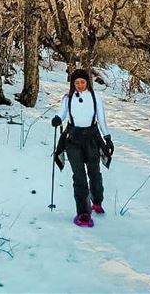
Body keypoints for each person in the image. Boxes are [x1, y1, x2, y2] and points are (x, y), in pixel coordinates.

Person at [51, 68, 114, 227]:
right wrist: (58, 119)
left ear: (88, 82)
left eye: (82, 82)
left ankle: (97, 201)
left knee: (94, 173)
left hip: (92, 139)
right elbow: (62, 113)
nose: (79, 85)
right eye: (76, 82)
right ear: (72, 83)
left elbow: (101, 119)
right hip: (73, 139)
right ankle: (83, 212)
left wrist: (107, 138)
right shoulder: (67, 98)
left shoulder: (95, 97)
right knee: (79, 177)